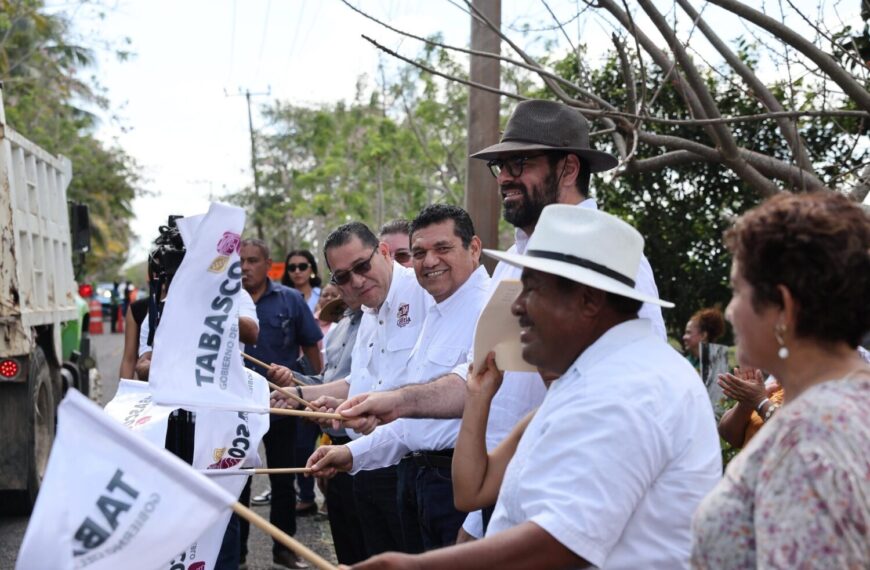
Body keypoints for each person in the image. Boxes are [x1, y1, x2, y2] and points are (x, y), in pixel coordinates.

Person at [332, 99, 667, 540]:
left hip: (569, 513)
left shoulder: (607, 258)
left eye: (520, 163)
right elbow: (486, 384)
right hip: (504, 504)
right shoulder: (512, 261)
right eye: (501, 166)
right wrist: (477, 523)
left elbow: (634, 405)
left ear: (568, 168)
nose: (505, 177)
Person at [349, 205, 721, 569]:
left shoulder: (628, 388)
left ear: (588, 301)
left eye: (533, 290)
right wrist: (477, 396)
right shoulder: (591, 377)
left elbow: (561, 543)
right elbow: (471, 491)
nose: (518, 307)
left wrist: (417, 567)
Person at [692, 192, 870, 569]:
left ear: (783, 307)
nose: (729, 311)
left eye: (737, 291)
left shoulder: (807, 441)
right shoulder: (853, 401)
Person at [306, 204, 491, 550]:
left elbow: (483, 404)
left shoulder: (490, 309)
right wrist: (351, 455)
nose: (429, 261)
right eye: (419, 253)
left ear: (474, 248)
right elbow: (410, 427)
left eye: (443, 248)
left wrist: (477, 520)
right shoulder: (437, 309)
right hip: (417, 481)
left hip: (459, 490)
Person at [269, 221, 432, 556]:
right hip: (364, 461)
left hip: (409, 466)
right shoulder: (368, 310)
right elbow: (356, 383)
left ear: (383, 252)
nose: (356, 281)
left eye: (362, 266)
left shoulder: (423, 292)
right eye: (342, 277)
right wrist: (301, 397)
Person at [237, 238, 323, 570]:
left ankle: (284, 549)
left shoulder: (289, 300)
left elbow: (311, 347)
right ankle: (237, 555)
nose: (245, 267)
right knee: (237, 479)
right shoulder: (225, 303)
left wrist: (314, 394)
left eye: (252, 260)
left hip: (280, 405)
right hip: (237, 409)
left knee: (284, 480)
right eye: (240, 261)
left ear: (267, 264)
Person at [280, 247, 327, 516]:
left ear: (312, 269)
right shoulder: (283, 298)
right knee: (301, 440)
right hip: (292, 374)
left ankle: (329, 496)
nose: (297, 272)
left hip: (323, 370)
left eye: (302, 266)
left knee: (328, 434)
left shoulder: (326, 296)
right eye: (292, 267)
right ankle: (306, 494)